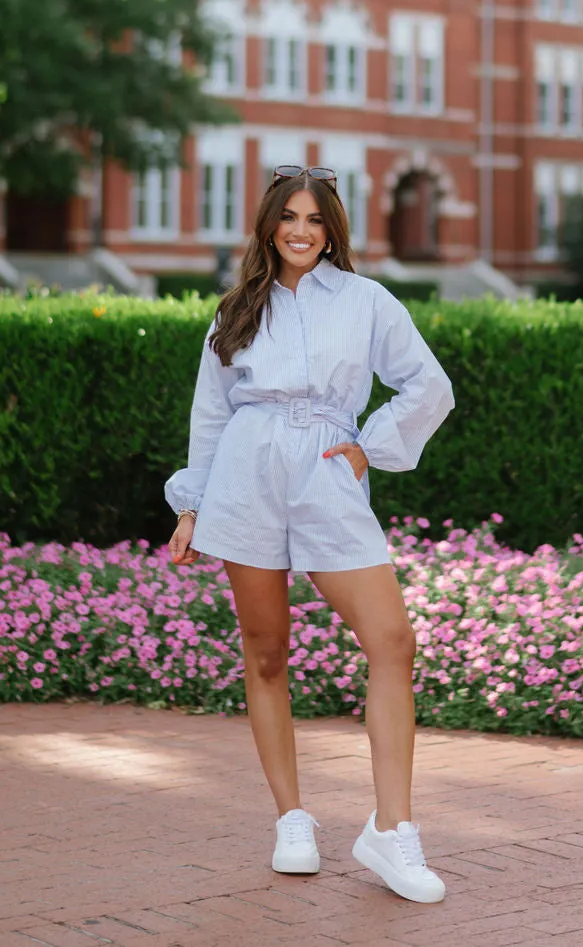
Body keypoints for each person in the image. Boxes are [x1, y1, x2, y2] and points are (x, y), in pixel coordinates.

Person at [165, 165, 455, 905]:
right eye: (288, 216)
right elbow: (211, 415)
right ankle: (292, 819)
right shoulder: (234, 311)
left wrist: (371, 444)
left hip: (326, 471)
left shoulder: (366, 301)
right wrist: (193, 505)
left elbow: (429, 384)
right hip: (246, 472)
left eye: (315, 219)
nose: (300, 230)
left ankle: (392, 830)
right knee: (266, 651)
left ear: (332, 230)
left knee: (392, 640)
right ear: (269, 224)